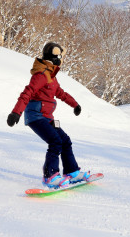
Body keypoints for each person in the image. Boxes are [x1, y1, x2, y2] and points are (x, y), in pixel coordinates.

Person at [7, 42, 89, 189]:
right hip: (36, 116)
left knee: (65, 140)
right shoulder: (41, 75)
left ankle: (72, 172)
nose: (61, 60)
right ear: (53, 57)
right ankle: (50, 176)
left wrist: (75, 104)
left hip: (47, 116)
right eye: (59, 57)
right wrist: (16, 112)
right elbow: (28, 92)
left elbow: (61, 93)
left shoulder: (51, 76)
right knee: (55, 141)